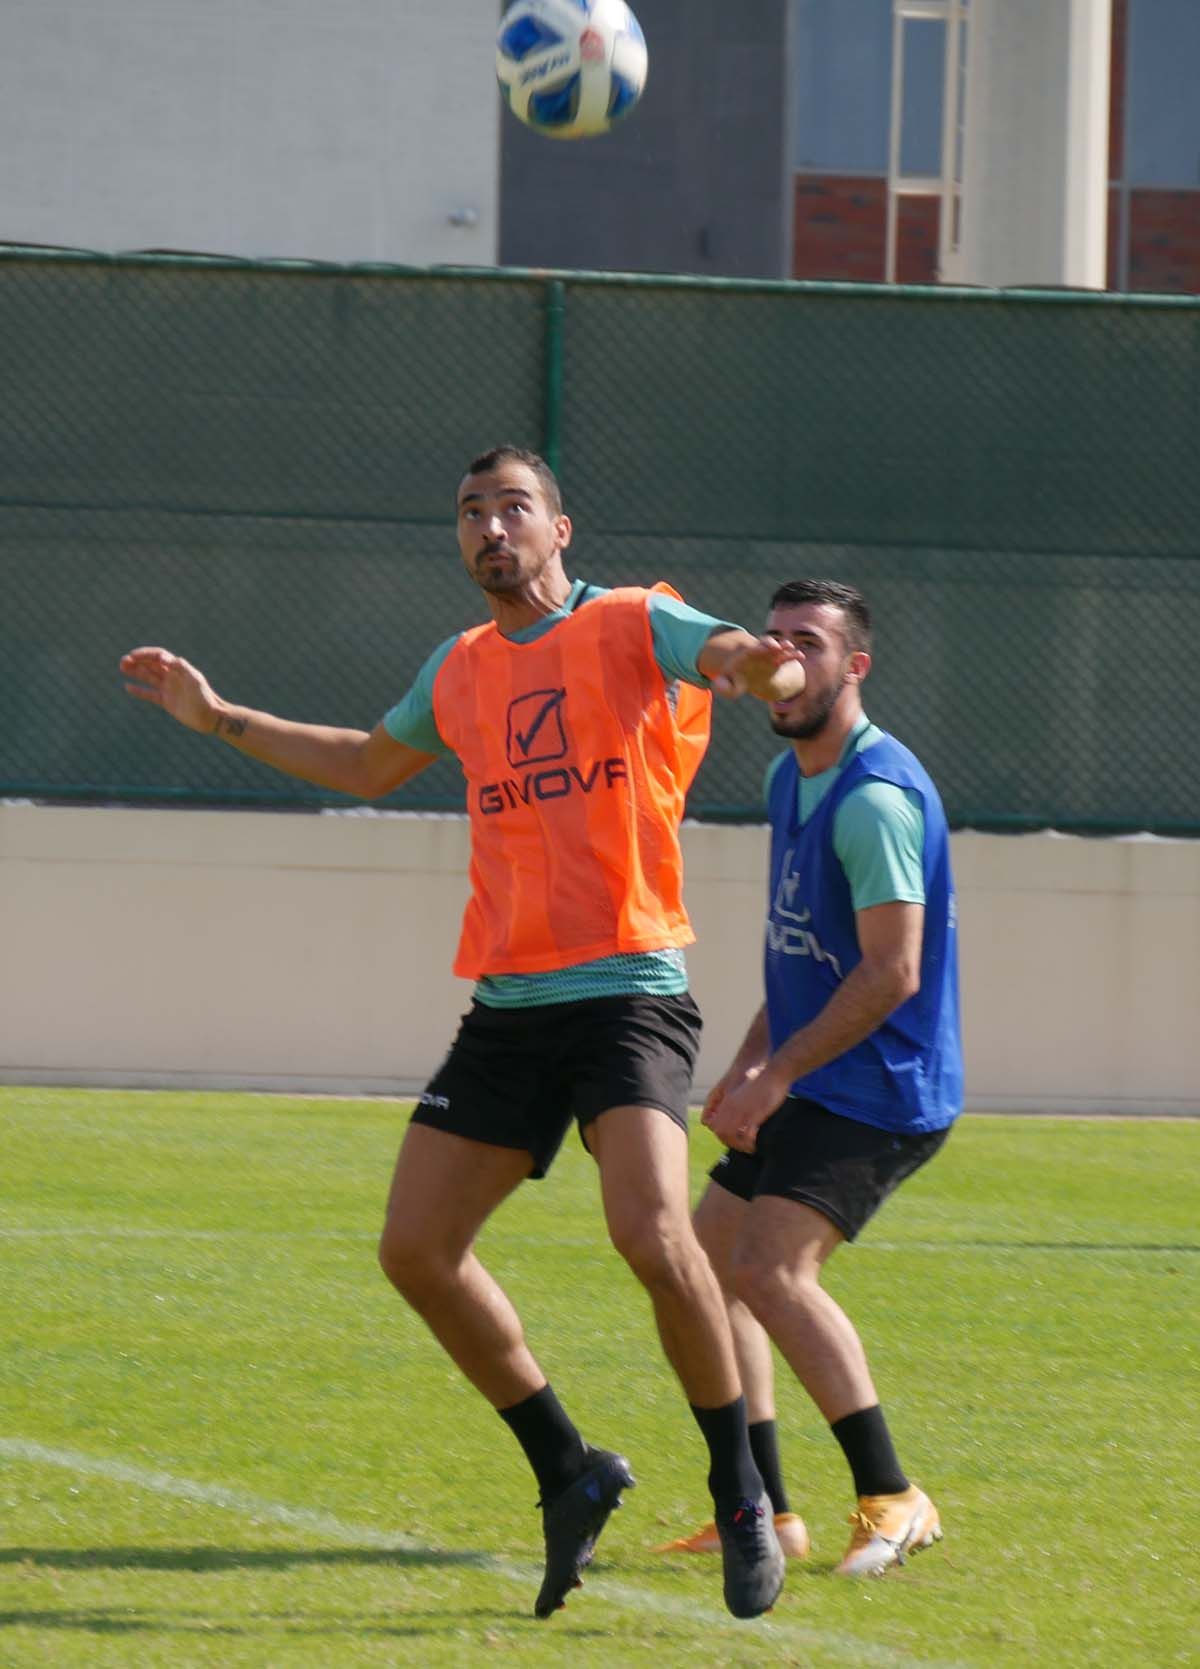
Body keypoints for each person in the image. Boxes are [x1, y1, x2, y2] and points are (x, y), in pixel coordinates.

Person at [119, 445, 806, 1620]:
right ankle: (568, 1466)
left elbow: (722, 648)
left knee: (649, 1231)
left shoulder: (639, 623)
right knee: (414, 1251)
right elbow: (373, 763)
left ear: (561, 529)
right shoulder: (462, 666)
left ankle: (744, 1493)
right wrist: (219, 715)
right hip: (508, 1005)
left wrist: (756, 661)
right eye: (472, 513)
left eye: (514, 509)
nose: (492, 528)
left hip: (629, 989)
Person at [655, 578, 961, 1577]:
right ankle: (765, 1511)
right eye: (775, 638)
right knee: (709, 1256)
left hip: (880, 1086)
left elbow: (891, 971)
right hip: (815, 1070)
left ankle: (893, 1495)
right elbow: (808, 953)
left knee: (770, 1268)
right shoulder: (794, 778)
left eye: (810, 644)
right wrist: (750, 1059)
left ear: (853, 667)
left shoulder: (874, 798)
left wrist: (777, 1072)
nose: (784, 659)